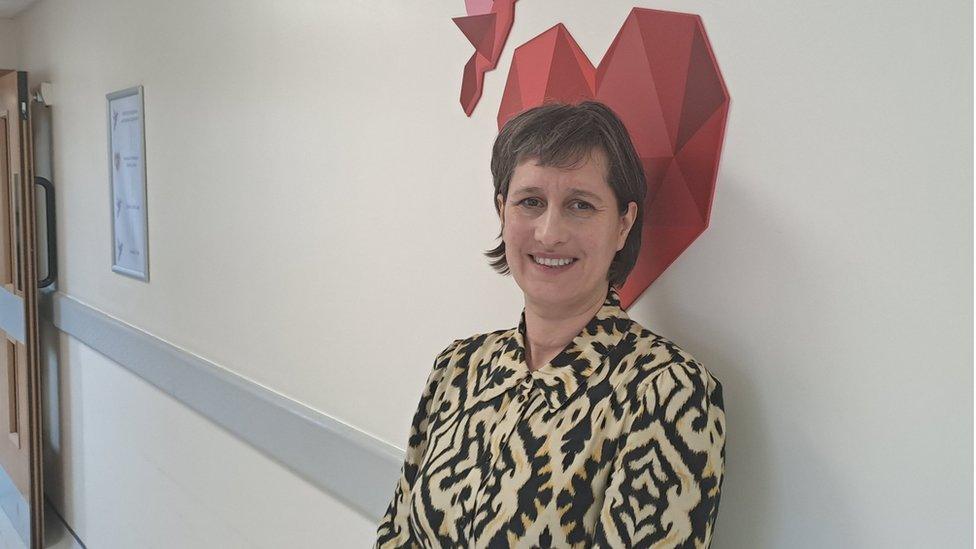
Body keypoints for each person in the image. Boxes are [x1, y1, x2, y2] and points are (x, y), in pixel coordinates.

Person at [375, 101, 726, 548]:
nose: (548, 232)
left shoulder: (668, 391)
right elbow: (396, 532)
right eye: (530, 202)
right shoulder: (458, 367)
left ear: (623, 224)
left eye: (581, 205)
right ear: (503, 211)